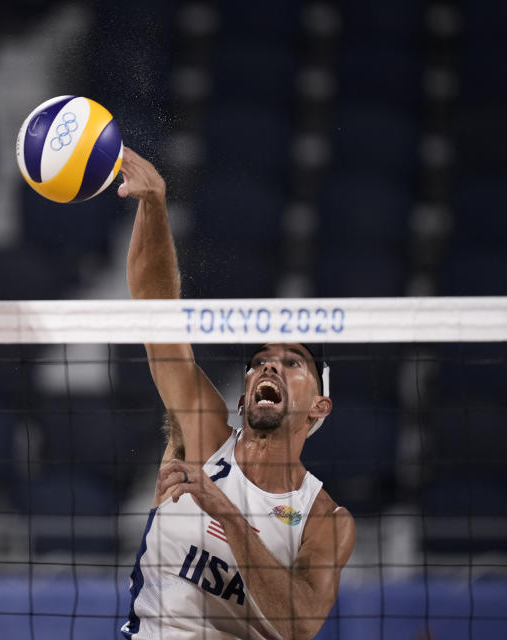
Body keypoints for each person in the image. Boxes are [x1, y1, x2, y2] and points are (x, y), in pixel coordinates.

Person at [117, 147, 355, 640]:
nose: (270, 364)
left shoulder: (324, 518)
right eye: (261, 360)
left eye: (293, 362)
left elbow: (302, 623)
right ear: (245, 395)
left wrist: (222, 507)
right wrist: (156, 205)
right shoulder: (202, 436)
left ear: (319, 406)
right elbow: (155, 311)